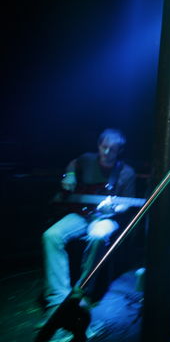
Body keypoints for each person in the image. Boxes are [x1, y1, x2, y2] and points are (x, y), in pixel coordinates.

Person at [38, 128, 136, 329]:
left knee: (98, 235)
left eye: (112, 149)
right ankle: (57, 298)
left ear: (120, 151)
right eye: (104, 146)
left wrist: (115, 207)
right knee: (51, 235)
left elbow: (127, 204)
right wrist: (70, 175)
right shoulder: (86, 159)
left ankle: (81, 293)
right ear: (99, 145)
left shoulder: (126, 172)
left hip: (108, 217)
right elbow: (73, 164)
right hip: (81, 214)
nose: (107, 152)